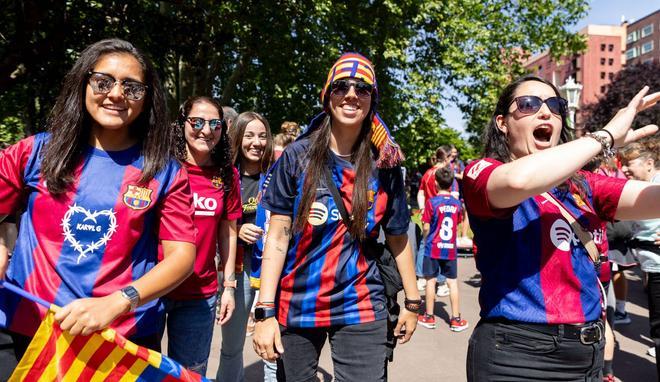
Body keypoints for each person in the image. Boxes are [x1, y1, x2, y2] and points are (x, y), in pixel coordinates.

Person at [0, 39, 196, 361]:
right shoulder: (34, 152)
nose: (116, 94)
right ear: (83, 83)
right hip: (29, 326)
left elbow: (182, 257)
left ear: (146, 99)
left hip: (121, 338)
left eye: (132, 87)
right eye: (103, 81)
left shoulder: (165, 172)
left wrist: (118, 301)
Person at [463, 74, 660, 381]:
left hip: (587, 352)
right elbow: (520, 180)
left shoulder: (584, 185)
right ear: (502, 122)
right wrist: (604, 137)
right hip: (517, 355)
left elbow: (654, 200)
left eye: (555, 105)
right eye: (529, 104)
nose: (546, 113)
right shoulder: (483, 172)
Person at [252, 52, 420, 381]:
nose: (352, 94)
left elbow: (399, 237)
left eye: (363, 88)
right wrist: (264, 312)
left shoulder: (384, 165)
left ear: (373, 100)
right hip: (297, 301)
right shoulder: (296, 157)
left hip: (361, 300)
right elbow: (277, 236)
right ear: (327, 95)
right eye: (342, 86)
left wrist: (413, 304)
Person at [163, 96, 242, 375]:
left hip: (200, 294)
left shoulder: (227, 175)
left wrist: (229, 286)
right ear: (182, 124)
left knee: (191, 373)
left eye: (214, 124)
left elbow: (228, 230)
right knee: (140, 370)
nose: (206, 130)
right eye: (196, 122)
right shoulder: (160, 167)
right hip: (152, 289)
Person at [216, 111, 274, 382]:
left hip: (274, 267)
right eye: (249, 135)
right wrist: (237, 231)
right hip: (236, 269)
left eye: (262, 136)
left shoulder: (278, 175)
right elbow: (210, 224)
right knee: (231, 348)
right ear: (238, 138)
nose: (256, 142)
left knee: (276, 342)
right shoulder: (225, 177)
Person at [619, 136, 660, 376]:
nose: (624, 168)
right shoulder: (639, 186)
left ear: (648, 163)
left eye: (629, 163)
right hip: (650, 266)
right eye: (622, 163)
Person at [417, 166, 469, 332]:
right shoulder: (456, 204)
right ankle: (455, 318)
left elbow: (425, 227)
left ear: (436, 183)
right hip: (450, 249)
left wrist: (427, 236)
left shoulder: (431, 203)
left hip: (433, 247)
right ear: (452, 183)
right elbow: (459, 222)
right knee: (452, 282)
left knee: (430, 281)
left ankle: (429, 316)